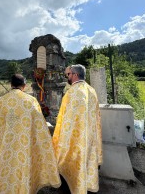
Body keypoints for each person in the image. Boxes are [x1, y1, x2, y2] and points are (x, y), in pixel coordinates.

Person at [0, 74, 61, 193]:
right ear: (24, 86)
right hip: (24, 148)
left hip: (5, 148)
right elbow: (39, 128)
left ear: (11, 85)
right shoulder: (31, 101)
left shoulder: (1, 102)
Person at [52, 64, 103, 193]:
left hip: (75, 141)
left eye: (68, 74)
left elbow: (67, 121)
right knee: (86, 162)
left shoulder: (72, 92)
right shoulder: (91, 90)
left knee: (70, 167)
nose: (67, 77)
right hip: (90, 136)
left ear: (75, 75)